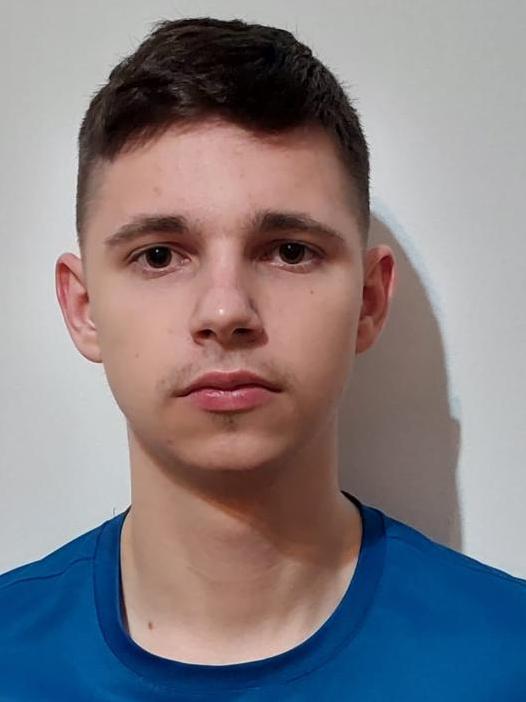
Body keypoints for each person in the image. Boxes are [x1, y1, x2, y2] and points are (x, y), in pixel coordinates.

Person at [1, 16, 525, 700]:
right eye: (158, 256)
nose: (226, 312)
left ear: (368, 301)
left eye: (289, 251)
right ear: (83, 307)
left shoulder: (508, 659)